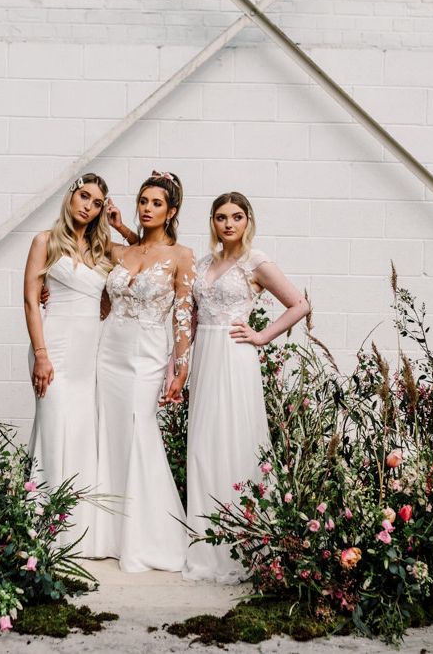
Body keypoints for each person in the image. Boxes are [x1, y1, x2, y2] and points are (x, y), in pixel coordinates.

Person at [183, 191, 310, 583]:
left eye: (236, 217)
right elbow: (189, 313)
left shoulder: (256, 262)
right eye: (221, 217)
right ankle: (205, 541)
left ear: (247, 221)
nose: (229, 224)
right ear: (213, 222)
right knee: (204, 442)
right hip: (205, 354)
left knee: (235, 439)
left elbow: (299, 304)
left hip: (235, 357)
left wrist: (261, 336)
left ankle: (243, 541)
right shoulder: (203, 263)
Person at [24, 172, 135, 554]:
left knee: (82, 432)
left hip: (88, 355)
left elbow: (146, 254)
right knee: (53, 428)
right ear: (71, 197)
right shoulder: (45, 241)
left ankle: (76, 531)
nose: (88, 205)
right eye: (84, 196)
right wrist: (41, 354)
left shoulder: (103, 250)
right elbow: (29, 301)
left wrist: (122, 227)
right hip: (52, 348)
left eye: (97, 202)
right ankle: (43, 529)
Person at [93, 171, 194, 573]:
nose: (147, 208)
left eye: (156, 203)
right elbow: (81, 269)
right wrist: (48, 289)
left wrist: (180, 370)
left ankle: (148, 537)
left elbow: (184, 316)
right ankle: (108, 535)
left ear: (171, 212)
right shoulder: (122, 252)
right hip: (109, 349)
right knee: (109, 429)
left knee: (139, 427)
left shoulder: (182, 256)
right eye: (143, 201)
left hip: (148, 353)